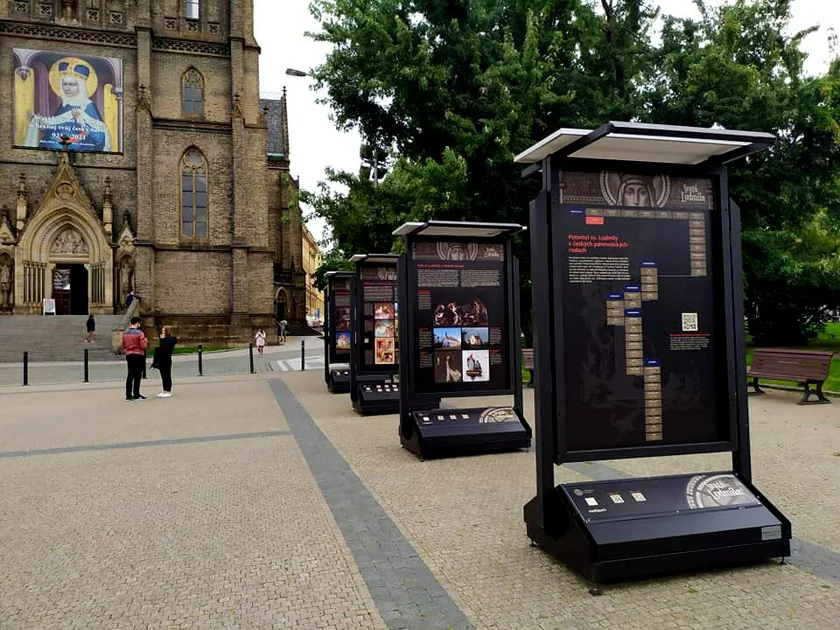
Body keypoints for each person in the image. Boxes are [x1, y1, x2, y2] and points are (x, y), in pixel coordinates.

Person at [121, 316, 147, 401]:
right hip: (138, 355)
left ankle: (128, 394)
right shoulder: (140, 333)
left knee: (130, 374)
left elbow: (123, 345)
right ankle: (136, 393)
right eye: (139, 324)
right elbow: (143, 346)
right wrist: (145, 342)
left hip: (129, 355)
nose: (140, 325)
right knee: (137, 375)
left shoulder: (125, 333)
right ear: (137, 323)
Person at [151, 326, 177, 398]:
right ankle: (165, 390)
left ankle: (168, 390)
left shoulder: (172, 339)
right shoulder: (164, 340)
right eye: (162, 331)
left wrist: (163, 339)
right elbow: (161, 348)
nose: (162, 333)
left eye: (163, 331)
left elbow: (166, 347)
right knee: (163, 376)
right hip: (161, 359)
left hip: (167, 359)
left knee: (167, 375)